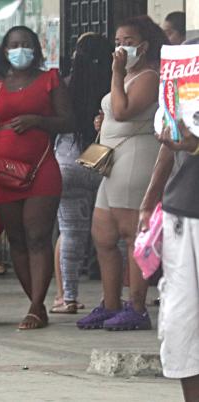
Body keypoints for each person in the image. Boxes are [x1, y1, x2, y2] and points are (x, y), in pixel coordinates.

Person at [0, 26, 73, 330]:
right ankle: (38, 305)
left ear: (36, 49)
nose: (20, 49)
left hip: (41, 169)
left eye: (26, 44)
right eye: (14, 44)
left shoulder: (50, 80)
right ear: (5, 50)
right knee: (16, 239)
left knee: (38, 236)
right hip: (1, 172)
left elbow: (69, 120)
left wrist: (38, 121)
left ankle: (34, 306)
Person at [76, 15, 167, 331]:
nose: (120, 48)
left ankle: (137, 306)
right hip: (113, 160)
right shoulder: (126, 75)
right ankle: (110, 302)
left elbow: (125, 110)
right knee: (102, 233)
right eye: (117, 42)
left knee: (132, 235)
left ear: (144, 45)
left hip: (135, 159)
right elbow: (114, 111)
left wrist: (115, 74)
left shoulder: (149, 75)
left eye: (127, 42)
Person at [140, 35, 199, 401]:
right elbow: (169, 145)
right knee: (181, 321)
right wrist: (149, 200)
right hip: (183, 214)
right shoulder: (188, 54)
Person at [50, 32, 112, 314]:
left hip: (67, 163)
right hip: (104, 165)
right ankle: (113, 297)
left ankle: (68, 298)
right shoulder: (114, 87)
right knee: (111, 236)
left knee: (70, 233)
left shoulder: (64, 88)